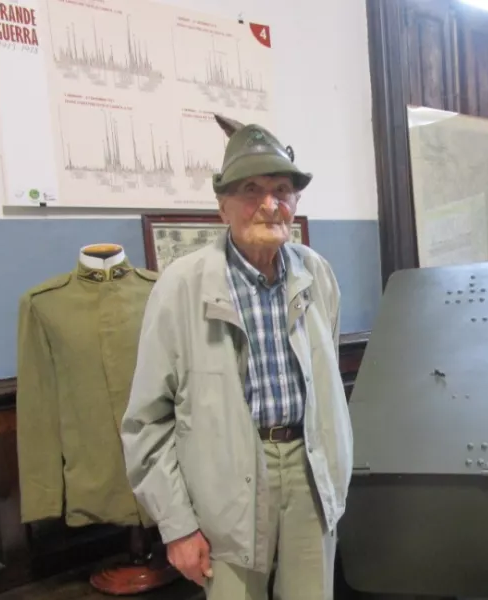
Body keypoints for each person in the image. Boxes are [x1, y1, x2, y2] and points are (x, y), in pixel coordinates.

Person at [121, 115, 353, 600]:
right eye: (251, 189)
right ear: (222, 205)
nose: (270, 205)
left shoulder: (317, 274)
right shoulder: (182, 287)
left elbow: (324, 378)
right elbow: (148, 421)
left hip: (309, 471)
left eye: (282, 190)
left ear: (295, 202)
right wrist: (178, 527)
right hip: (225, 479)